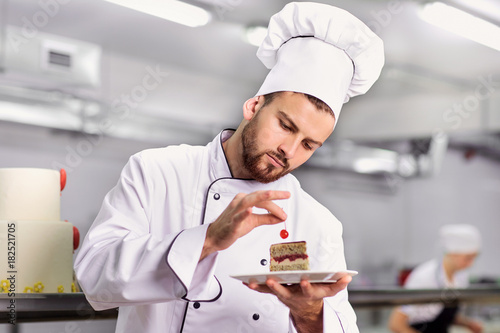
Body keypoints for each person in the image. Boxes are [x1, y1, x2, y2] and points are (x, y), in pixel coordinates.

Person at [74, 2, 384, 332]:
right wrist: (206, 239)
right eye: (285, 125)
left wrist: (308, 313)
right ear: (254, 105)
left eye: (309, 145)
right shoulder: (158, 171)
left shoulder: (316, 222)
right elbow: (93, 276)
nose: (289, 151)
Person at [388, 224, 483, 333]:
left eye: (474, 258)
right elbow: (396, 324)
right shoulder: (425, 277)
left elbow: (438, 314)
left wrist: (468, 324)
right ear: (452, 253)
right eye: (468, 258)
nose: (471, 264)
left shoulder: (460, 277)